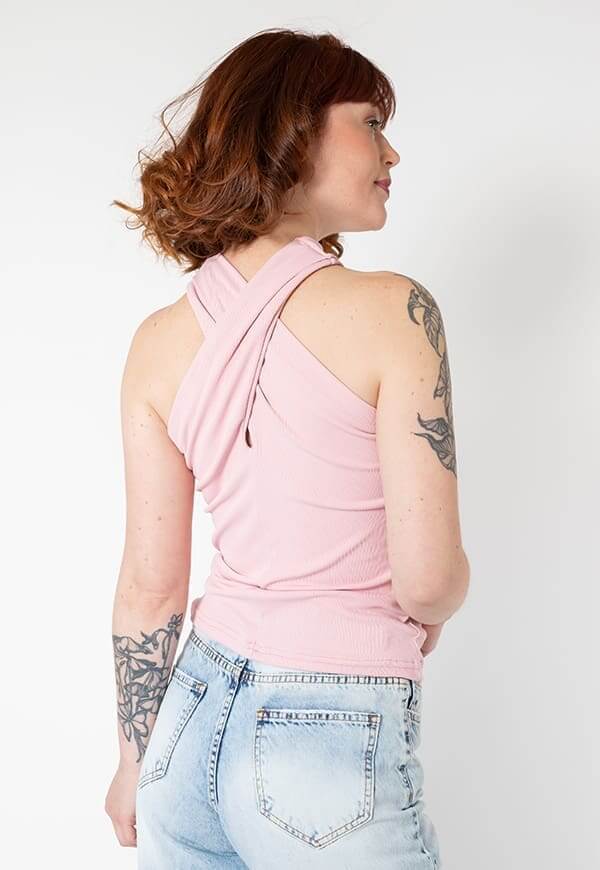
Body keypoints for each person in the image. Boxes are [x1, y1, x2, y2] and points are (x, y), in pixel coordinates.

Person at [104, 27, 470, 869]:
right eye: (371, 122)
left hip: (185, 734)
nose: (392, 151)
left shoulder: (157, 342)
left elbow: (149, 588)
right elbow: (427, 578)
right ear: (293, 130)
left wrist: (132, 762)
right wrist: (442, 599)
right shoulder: (395, 310)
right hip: (328, 738)